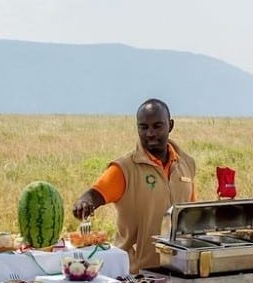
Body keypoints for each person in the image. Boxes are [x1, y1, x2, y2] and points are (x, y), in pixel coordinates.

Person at [72, 98, 196, 274]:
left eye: (157, 126)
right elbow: (94, 194)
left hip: (179, 271)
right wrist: (83, 202)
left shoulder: (187, 164)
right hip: (137, 273)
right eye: (143, 127)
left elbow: (190, 214)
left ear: (170, 125)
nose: (150, 133)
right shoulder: (124, 168)